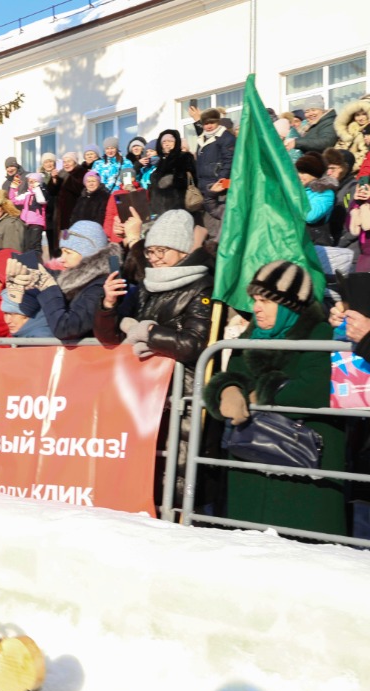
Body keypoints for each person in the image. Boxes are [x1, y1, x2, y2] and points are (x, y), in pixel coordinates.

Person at [204, 261, 346, 536]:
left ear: (291, 304)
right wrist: (227, 389)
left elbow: (315, 388)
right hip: (252, 464)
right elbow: (232, 373)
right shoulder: (251, 336)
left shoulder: (321, 334)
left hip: (304, 472)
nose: (257, 307)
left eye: (266, 301)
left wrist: (259, 394)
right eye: (255, 299)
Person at [94, 209, 213, 367]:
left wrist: (148, 332)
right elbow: (109, 338)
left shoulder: (201, 286)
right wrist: (108, 305)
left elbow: (193, 345)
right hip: (138, 373)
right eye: (150, 251)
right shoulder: (146, 284)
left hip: (176, 380)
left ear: (183, 251)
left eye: (162, 251)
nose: (155, 258)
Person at [18, 221, 110, 341]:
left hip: (89, 357)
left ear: (89, 255)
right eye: (62, 251)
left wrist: (47, 287)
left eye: (68, 253)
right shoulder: (76, 279)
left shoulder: (99, 287)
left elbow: (66, 328)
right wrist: (27, 274)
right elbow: (54, 277)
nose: (61, 259)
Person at [195, 108, 235, 238]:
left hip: (219, 189)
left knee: (219, 228)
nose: (209, 126)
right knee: (208, 227)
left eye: (212, 122)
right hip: (205, 188)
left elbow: (229, 162)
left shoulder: (226, 137)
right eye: (206, 123)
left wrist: (220, 182)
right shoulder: (202, 138)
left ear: (218, 121)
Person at [147, 128, 195, 218]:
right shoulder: (162, 160)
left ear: (176, 143)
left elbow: (192, 178)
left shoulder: (184, 156)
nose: (167, 144)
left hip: (178, 206)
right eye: (164, 142)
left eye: (170, 141)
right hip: (161, 210)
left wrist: (172, 179)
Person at [295, 153, 336, 246]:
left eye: (304, 172)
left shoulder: (325, 192)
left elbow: (310, 216)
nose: (299, 175)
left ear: (315, 174)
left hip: (314, 242)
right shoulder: (297, 188)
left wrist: (293, 199)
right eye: (299, 172)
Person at [11, 172, 46, 253]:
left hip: (37, 223)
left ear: (38, 182)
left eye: (33, 181)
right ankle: (29, 263)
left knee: (35, 246)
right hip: (26, 223)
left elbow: (41, 200)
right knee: (26, 247)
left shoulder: (41, 192)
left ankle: (37, 262)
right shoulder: (27, 194)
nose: (31, 183)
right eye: (29, 181)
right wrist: (14, 188)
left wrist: (37, 188)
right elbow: (14, 200)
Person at [335, 98, 370, 172]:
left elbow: (364, 155)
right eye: (357, 115)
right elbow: (338, 148)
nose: (360, 118)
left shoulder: (367, 132)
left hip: (359, 172)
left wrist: (348, 166)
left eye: (364, 114)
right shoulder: (349, 129)